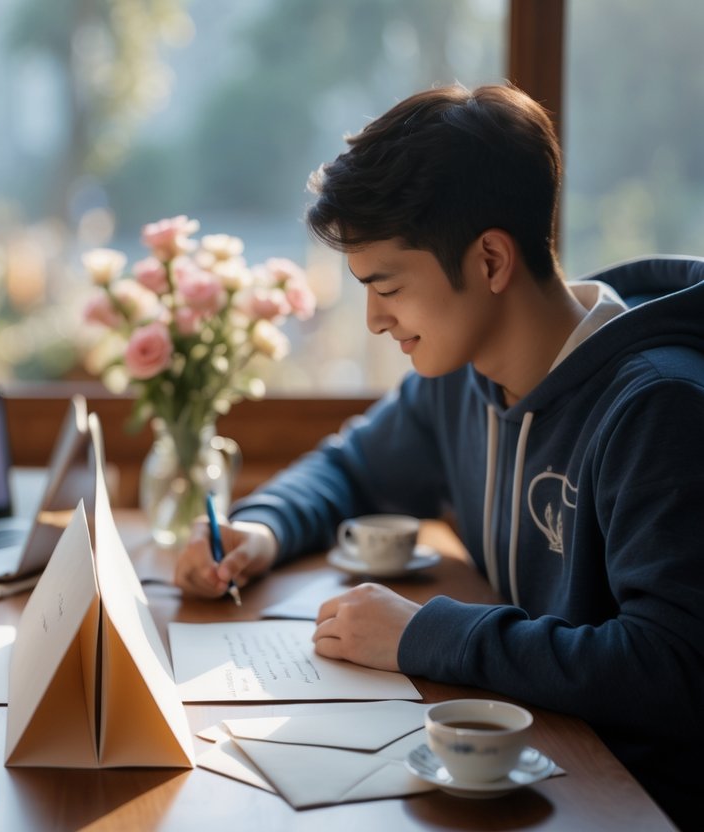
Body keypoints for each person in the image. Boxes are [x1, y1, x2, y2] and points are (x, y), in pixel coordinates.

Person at [174, 83, 704, 828]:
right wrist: (260, 529)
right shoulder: (462, 377)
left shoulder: (657, 408)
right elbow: (350, 466)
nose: (372, 318)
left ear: (489, 259)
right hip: (532, 768)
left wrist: (426, 635)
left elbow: (672, 669)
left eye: (386, 286)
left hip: (630, 803)